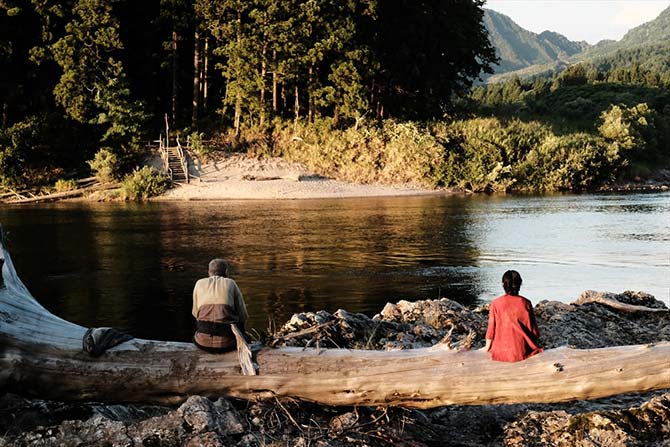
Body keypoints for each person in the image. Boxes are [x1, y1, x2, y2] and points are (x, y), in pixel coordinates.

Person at [482, 270, 543, 362]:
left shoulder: (496, 303)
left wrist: (486, 348)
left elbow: (491, 330)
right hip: (521, 351)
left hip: (500, 352)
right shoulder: (526, 303)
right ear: (520, 284)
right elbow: (533, 330)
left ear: (503, 285)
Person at [192, 258, 248, 353]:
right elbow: (243, 315)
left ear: (209, 272)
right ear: (226, 272)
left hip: (202, 343)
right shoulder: (231, 283)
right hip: (228, 343)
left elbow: (195, 313)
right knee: (246, 337)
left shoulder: (199, 283)